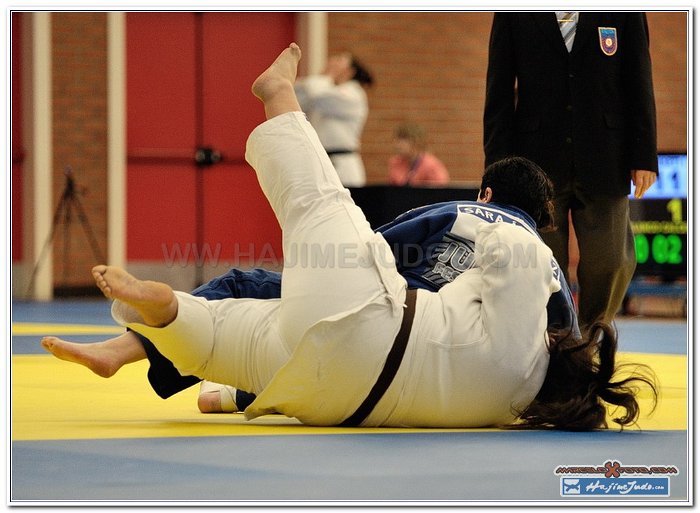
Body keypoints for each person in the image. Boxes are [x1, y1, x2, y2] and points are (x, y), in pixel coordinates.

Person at [46, 44, 656, 430]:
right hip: (336, 400)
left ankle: (278, 98)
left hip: (377, 314)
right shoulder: (511, 401)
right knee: (231, 333)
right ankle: (189, 354)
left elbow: (379, 245)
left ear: (488, 196)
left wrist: (340, 257)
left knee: (315, 207)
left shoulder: (501, 230)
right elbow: (571, 328)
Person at [43, 160, 579, 414]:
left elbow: (368, 250)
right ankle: (247, 395)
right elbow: (567, 345)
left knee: (245, 286)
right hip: (462, 381)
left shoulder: (460, 212)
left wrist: (311, 273)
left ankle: (123, 349)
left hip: (388, 314)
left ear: (486, 193)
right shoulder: (548, 267)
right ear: (540, 220)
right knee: (307, 351)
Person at [483, 12, 658, 330]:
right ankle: (554, 343)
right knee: (540, 262)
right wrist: (497, 168)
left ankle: (591, 344)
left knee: (611, 260)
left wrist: (644, 154)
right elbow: (498, 89)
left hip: (607, 153)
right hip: (535, 159)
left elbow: (639, 78)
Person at [294, 51, 373, 187]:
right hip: (319, 162)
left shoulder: (353, 93)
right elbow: (296, 94)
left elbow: (318, 94)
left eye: (340, 60)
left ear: (350, 71)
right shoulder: (325, 88)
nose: (332, 62)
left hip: (342, 165)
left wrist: (327, 76)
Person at [388, 122, 450, 186]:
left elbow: (441, 191)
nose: (398, 144)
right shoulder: (395, 162)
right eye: (397, 140)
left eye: (403, 140)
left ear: (416, 142)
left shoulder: (431, 165)